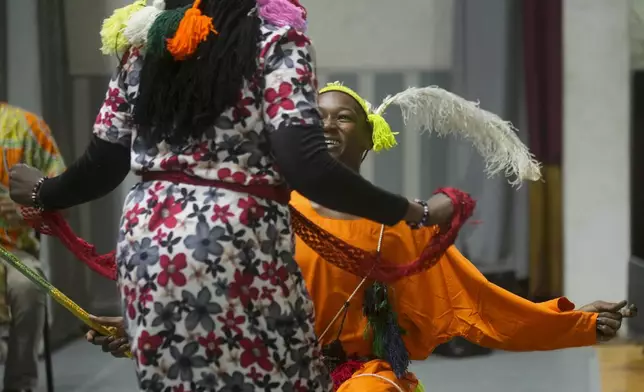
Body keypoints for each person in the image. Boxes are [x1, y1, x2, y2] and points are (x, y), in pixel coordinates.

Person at [6, 2, 458, 391]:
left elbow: (102, 165)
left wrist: (44, 190)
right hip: (238, 242)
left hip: (148, 249)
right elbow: (309, 165)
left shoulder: (141, 46)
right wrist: (413, 211)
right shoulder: (277, 42)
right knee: (284, 377)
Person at [88, 82, 637, 392]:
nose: (327, 124)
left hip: (360, 376)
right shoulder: (265, 211)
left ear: (370, 139)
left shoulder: (397, 226)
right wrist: (142, 327)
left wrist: (575, 324)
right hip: (270, 371)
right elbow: (213, 296)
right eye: (316, 116)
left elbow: (480, 307)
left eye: (344, 117)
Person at [0, 103, 65, 392]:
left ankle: (20, 384)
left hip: (13, 250)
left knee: (28, 285)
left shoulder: (25, 126)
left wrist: (24, 211)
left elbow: (62, 201)